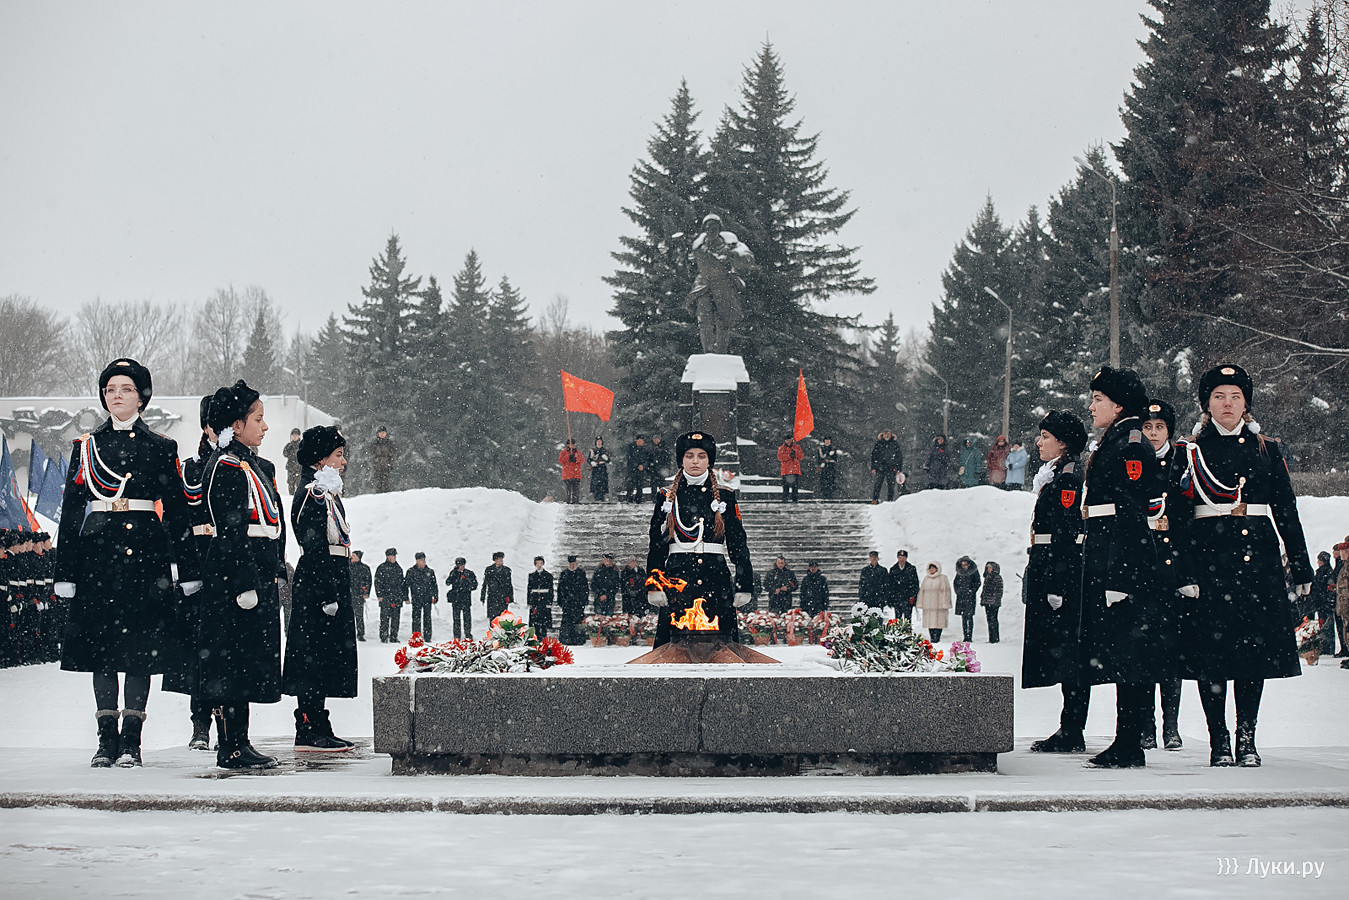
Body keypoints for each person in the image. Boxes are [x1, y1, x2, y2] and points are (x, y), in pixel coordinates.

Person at [55, 358, 201, 768]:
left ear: (141, 397)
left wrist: (188, 570)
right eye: (110, 390)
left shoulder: (161, 446)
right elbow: (71, 513)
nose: (116, 396)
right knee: (102, 651)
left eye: (125, 389)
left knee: (140, 650)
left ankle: (131, 741)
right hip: (99, 555)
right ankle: (106, 740)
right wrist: (65, 572)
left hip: (146, 557)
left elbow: (176, 513)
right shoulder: (86, 447)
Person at [1173, 364, 1313, 767]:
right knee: (1211, 655)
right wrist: (1183, 572)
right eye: (1219, 396)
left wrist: (1300, 565)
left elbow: (1286, 510)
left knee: (1253, 655)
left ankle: (1247, 738)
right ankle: (1219, 739)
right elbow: (1179, 518)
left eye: (1235, 397)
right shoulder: (1190, 452)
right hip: (1209, 561)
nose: (1227, 404)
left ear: (1245, 403)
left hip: (1257, 561)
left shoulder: (1266, 449)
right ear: (1207, 404)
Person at [1079, 366, 1167, 769]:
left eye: (1098, 399)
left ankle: (1130, 742)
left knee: (1130, 654)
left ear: (1118, 406)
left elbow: (1131, 513)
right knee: (1122, 651)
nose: (1092, 406)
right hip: (1108, 551)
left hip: (1121, 559)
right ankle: (1127, 739)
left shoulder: (1130, 444)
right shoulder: (1115, 440)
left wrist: (1120, 576)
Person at [195, 379, 287, 770]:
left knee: (244, 661)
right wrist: (245, 583)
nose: (265, 426)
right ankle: (231, 745)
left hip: (253, 577)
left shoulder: (247, 463)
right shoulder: (228, 465)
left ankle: (240, 741)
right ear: (236, 424)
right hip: (235, 582)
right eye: (258, 419)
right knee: (231, 662)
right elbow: (231, 531)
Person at [282, 424, 358, 752]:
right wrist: (327, 593)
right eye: (338, 455)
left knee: (324, 655)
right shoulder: (311, 493)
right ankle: (309, 724)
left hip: (330, 579)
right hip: (318, 584)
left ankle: (318, 721)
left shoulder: (327, 492)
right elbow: (314, 546)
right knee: (312, 655)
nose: (343, 461)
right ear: (320, 459)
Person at [1022, 409, 1089, 754]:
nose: (1039, 442)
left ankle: (1072, 729)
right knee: (1065, 654)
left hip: (1058, 569)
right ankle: (1070, 726)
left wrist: (1056, 585)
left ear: (1063, 443)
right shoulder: (1057, 474)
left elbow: (1065, 532)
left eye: (1046, 436)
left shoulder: (1068, 477)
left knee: (1069, 655)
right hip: (1048, 564)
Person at [646, 431, 754, 646]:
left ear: (709, 460)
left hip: (715, 578)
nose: (695, 461)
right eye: (689, 456)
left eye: (701, 456)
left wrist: (744, 584)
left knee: (720, 647)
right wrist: (654, 585)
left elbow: (737, 543)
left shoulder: (725, 496)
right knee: (673, 647)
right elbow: (657, 545)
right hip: (678, 579)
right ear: (681, 460)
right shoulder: (666, 496)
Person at [161, 395, 220, 751]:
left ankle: (229, 722)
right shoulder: (189, 469)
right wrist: (181, 568)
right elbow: (175, 521)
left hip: (231, 562)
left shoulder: (250, 465)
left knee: (228, 649)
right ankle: (200, 723)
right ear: (206, 427)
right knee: (200, 649)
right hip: (198, 560)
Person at [1140, 398, 1185, 750]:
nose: (1154, 433)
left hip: (1172, 566)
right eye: (1148, 427)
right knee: (1141, 651)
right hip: (1141, 565)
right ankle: (1146, 725)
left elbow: (1188, 517)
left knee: (1171, 651)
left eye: (1160, 427)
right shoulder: (1133, 460)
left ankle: (1171, 725)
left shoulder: (1183, 461)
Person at [687, 213, 755, 353]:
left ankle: (720, 352)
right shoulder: (698, 247)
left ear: (719, 229)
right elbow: (690, 267)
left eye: (714, 226)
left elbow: (749, 259)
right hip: (703, 285)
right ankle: (708, 352)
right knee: (704, 319)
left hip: (723, 286)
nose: (711, 230)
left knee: (723, 320)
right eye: (708, 227)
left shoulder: (731, 245)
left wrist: (733, 255)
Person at [375, 548, 406, 643]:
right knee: (384, 618)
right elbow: (377, 582)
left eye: (395, 556)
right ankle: (383, 636)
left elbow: (402, 584)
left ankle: (394, 636)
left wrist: (402, 596)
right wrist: (379, 595)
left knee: (396, 619)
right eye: (393, 555)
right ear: (388, 556)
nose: (394, 557)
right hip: (385, 597)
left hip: (396, 597)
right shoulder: (382, 568)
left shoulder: (398, 568)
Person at [406, 552, 438, 641]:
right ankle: (416, 636)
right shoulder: (411, 572)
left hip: (427, 598)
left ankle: (427, 636)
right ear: (416, 561)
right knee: (416, 618)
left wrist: (435, 596)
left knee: (427, 617)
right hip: (416, 598)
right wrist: (406, 597)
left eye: (423, 560)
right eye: (420, 560)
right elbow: (406, 585)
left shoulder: (430, 571)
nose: (422, 562)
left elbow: (434, 585)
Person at [917, 562, 952, 642]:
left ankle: (937, 637)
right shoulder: (926, 579)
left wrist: (945, 602)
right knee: (930, 622)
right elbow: (922, 591)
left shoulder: (943, 578)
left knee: (939, 622)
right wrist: (921, 602)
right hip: (928, 604)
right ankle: (932, 637)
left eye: (933, 568)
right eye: (930, 568)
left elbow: (946, 591)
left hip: (939, 604)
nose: (932, 570)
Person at [557, 555, 588, 645]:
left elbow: (585, 588)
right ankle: (566, 638)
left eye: (574, 563)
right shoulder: (564, 574)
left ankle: (579, 639)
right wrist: (561, 601)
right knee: (567, 621)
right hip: (567, 602)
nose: (572, 565)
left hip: (578, 602)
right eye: (570, 564)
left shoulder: (581, 573)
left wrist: (584, 600)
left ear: (576, 563)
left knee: (578, 621)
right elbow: (560, 589)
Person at [444, 557, 477, 639]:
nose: (460, 567)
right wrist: (454, 574)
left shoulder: (469, 573)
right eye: (458, 565)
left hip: (466, 599)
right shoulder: (454, 573)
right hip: (456, 599)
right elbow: (447, 582)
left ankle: (468, 633)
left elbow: (474, 585)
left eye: (462, 565)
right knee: (456, 619)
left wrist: (466, 586)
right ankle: (457, 635)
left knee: (467, 618)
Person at [953, 556, 982, 642]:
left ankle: (969, 635)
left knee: (969, 617)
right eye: (963, 565)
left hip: (970, 598)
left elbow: (977, 582)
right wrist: (958, 591)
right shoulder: (959, 573)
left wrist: (971, 591)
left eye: (965, 565)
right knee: (964, 618)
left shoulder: (974, 572)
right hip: (961, 597)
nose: (964, 567)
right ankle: (965, 635)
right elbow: (955, 583)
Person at [870, 430, 903, 504]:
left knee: (891, 485)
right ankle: (875, 499)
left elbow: (899, 457)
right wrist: (873, 467)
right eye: (885, 434)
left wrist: (899, 468)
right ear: (882, 435)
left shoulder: (895, 444)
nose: (887, 436)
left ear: (891, 435)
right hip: (880, 467)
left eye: (888, 434)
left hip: (891, 468)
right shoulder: (878, 444)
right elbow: (874, 456)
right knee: (877, 484)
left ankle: (890, 500)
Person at [890, 550, 920, 626]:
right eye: (900, 557)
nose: (901, 560)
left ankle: (908, 632)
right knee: (897, 620)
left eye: (903, 558)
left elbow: (915, 584)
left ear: (906, 558)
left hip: (907, 598)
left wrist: (913, 596)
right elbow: (890, 585)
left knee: (908, 620)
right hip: (897, 599)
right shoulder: (893, 569)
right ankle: (897, 633)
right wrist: (891, 598)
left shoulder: (911, 569)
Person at [480, 551, 514, 620]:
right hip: (492, 596)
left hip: (503, 597)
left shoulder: (506, 570)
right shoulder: (489, 570)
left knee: (503, 617)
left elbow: (509, 585)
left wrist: (510, 597)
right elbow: (485, 583)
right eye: (499, 559)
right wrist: (483, 596)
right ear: (495, 560)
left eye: (501, 559)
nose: (501, 560)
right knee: (493, 618)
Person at [527, 556, 554, 639]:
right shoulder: (532, 575)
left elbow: (551, 589)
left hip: (544, 600)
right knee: (535, 620)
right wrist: (529, 601)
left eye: (540, 563)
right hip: (535, 601)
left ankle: (544, 636)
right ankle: (537, 635)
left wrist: (549, 601)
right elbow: (529, 589)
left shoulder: (548, 575)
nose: (539, 565)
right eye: (537, 563)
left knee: (544, 620)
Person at [349, 550, 371, 642]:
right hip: (348, 594)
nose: (351, 557)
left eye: (354, 555)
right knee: (348, 615)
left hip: (359, 595)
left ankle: (360, 634)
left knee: (359, 616)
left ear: (358, 558)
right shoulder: (347, 567)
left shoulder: (364, 568)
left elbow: (368, 581)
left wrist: (366, 593)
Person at [368, 426, 396, 493]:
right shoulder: (374, 443)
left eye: (383, 433)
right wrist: (374, 462)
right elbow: (371, 454)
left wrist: (390, 464)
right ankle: (378, 494)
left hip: (386, 465)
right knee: (378, 482)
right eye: (381, 433)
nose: (382, 434)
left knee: (386, 482)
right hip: (377, 465)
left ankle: (386, 494)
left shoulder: (389, 443)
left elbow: (393, 455)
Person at [981, 561, 1003, 643]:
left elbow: (999, 591)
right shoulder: (987, 577)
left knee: (993, 620)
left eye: (990, 568)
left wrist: (994, 601)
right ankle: (991, 638)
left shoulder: (997, 578)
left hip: (993, 603)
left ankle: (995, 638)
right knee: (989, 620)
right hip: (987, 602)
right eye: (988, 568)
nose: (989, 569)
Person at [777, 437, 804, 503]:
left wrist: (795, 454)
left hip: (794, 470)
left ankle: (794, 500)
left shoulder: (797, 447)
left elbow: (801, 457)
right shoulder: (781, 448)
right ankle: (785, 500)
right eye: (786, 440)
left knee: (795, 488)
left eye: (789, 440)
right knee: (786, 488)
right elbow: (780, 457)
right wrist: (789, 456)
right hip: (786, 470)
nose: (788, 441)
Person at [558, 439, 583, 504]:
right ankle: (567, 501)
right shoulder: (564, 452)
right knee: (568, 490)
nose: (572, 446)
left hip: (576, 474)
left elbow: (582, 460)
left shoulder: (578, 452)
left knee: (576, 491)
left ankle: (575, 502)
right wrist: (568, 457)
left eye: (573, 444)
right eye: (571, 444)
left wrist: (576, 459)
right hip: (567, 475)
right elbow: (561, 460)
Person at [626, 435, 649, 504]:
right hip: (632, 470)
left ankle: (639, 499)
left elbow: (646, 459)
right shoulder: (631, 448)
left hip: (640, 470)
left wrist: (643, 466)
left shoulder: (644, 450)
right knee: (631, 484)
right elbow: (630, 459)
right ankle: (629, 498)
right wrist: (637, 465)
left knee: (640, 485)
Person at [587, 438, 611, 502]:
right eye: (598, 441)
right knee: (595, 483)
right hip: (595, 468)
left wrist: (606, 458)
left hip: (602, 467)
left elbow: (609, 460)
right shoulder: (593, 450)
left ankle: (602, 497)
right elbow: (589, 459)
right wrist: (592, 462)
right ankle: (596, 497)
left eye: (600, 441)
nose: (599, 443)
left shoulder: (604, 450)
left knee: (603, 483)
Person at [282, 427, 302, 494]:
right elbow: (285, 454)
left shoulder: (301, 445)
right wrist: (290, 447)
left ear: (299, 436)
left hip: (299, 468)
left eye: (296, 435)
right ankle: (290, 497)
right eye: (293, 435)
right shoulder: (289, 445)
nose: (295, 437)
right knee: (291, 484)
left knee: (299, 484)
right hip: (291, 468)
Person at [278, 561, 295, 631]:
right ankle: (287, 632)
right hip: (288, 597)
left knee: (273, 617)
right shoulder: (290, 569)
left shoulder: (278, 568)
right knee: (288, 619)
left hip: (279, 597)